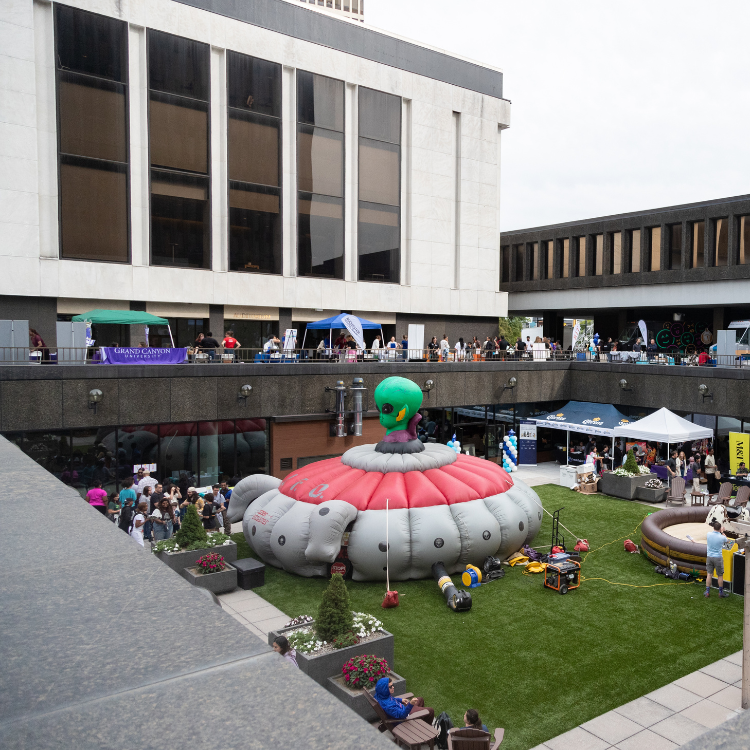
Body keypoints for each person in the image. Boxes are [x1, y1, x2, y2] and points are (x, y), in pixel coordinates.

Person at [705, 520, 731, 598]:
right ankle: (720, 592)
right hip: (718, 558)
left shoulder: (708, 534)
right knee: (720, 575)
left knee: (709, 574)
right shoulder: (722, 537)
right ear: (720, 529)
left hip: (709, 557)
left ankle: (707, 592)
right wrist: (722, 532)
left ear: (713, 527)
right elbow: (728, 541)